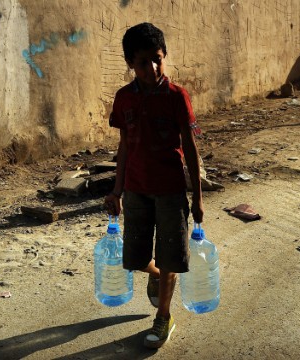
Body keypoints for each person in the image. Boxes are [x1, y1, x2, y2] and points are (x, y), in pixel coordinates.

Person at [104, 22, 204, 349]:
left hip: (171, 189)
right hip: (135, 188)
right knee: (134, 258)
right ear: (130, 63)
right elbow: (123, 146)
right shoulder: (124, 99)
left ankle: (164, 317)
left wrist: (198, 196)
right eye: (144, 61)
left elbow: (190, 146)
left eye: (158, 59)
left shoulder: (177, 97)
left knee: (171, 256)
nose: (153, 68)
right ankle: (157, 274)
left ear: (165, 57)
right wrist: (116, 190)